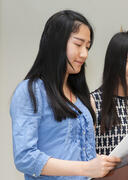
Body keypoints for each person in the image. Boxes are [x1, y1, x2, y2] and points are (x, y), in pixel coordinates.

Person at [10, 10, 120, 180]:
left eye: (88, 46)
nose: (84, 54)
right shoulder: (31, 91)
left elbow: (76, 153)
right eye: (78, 44)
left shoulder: (81, 95)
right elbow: (25, 158)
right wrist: (86, 168)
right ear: (56, 44)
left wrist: (99, 163)